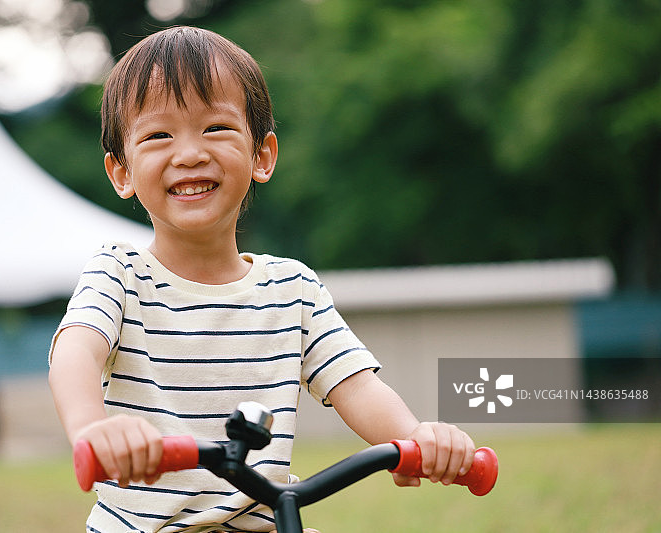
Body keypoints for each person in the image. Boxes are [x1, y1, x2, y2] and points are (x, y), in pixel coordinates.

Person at [48, 26, 476, 533]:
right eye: (159, 135)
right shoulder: (118, 273)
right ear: (121, 172)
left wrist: (416, 438)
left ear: (262, 156)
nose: (189, 153)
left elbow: (357, 387)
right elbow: (75, 352)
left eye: (216, 129)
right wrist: (94, 432)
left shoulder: (293, 291)